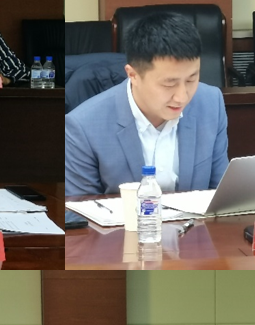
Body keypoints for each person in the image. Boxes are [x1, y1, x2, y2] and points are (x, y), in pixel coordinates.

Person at [65, 13, 229, 196]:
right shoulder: (83, 127)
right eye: (169, 84)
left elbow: (221, 194)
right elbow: (80, 209)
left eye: (191, 79)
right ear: (133, 75)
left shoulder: (211, 103)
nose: (182, 97)